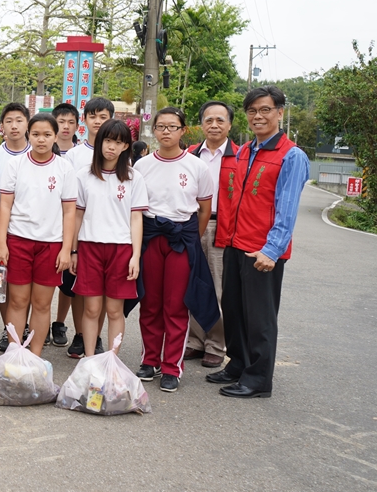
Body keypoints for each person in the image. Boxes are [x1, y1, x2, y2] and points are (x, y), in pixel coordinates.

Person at [208, 86, 309, 399]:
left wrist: (272, 250)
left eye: (265, 109)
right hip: (236, 245)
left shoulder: (292, 156)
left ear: (280, 112)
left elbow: (287, 208)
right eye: (252, 111)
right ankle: (237, 363)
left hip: (262, 251)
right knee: (234, 310)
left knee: (260, 317)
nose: (258, 116)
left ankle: (258, 378)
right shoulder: (244, 151)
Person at [132, 107, 213, 393]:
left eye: (172, 126)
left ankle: (171, 367)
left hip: (182, 240)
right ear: (153, 130)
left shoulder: (197, 166)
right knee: (150, 302)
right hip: (151, 237)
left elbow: (204, 209)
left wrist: (192, 239)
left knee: (176, 305)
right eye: (161, 126)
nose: (166, 131)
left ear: (183, 130)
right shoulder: (141, 166)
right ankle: (149, 360)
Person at [0, 113, 77, 357]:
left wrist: (66, 248)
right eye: (36, 134)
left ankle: (35, 357)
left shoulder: (64, 168)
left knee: (42, 304)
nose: (41, 140)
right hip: (18, 241)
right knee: (18, 302)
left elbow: (69, 211)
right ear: (28, 134)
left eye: (47, 135)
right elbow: (5, 206)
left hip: (51, 245)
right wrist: (1, 243)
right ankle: (14, 354)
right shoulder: (15, 165)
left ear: (55, 136)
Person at [71, 119, 147, 360]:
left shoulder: (134, 178)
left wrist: (135, 255)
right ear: (99, 141)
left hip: (122, 249)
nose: (112, 147)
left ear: (126, 146)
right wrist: (73, 251)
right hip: (89, 247)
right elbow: (78, 215)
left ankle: (112, 360)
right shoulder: (83, 175)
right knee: (92, 308)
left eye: (118, 142)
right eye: (108, 140)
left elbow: (136, 219)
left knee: (115, 310)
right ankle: (90, 359)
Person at [186, 101, 239, 368]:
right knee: (195, 283)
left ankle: (217, 344)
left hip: (222, 226)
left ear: (229, 124)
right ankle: (195, 340)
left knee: (218, 288)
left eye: (220, 120)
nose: (214, 125)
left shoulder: (240, 157)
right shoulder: (191, 154)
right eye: (209, 120)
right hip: (192, 223)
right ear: (201, 124)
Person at [63, 97, 115, 358]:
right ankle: (81, 334)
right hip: (79, 231)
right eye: (92, 116)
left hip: (108, 233)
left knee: (102, 293)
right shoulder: (73, 155)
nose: (97, 121)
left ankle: (96, 336)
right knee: (79, 288)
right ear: (84, 121)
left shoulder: (118, 154)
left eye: (102, 116)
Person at [0, 102, 30, 351]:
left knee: (25, 284)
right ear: (2, 126)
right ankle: (8, 328)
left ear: (27, 123)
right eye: (9, 121)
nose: (14, 125)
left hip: (28, 230)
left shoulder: (38, 153)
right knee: (2, 283)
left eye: (19, 120)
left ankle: (24, 327)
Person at [49, 102, 80, 346]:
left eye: (71, 122)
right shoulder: (42, 149)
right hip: (46, 224)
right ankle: (31, 326)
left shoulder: (81, 154)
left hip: (73, 223)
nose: (66, 127)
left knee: (67, 282)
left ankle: (59, 323)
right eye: (61, 122)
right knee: (40, 284)